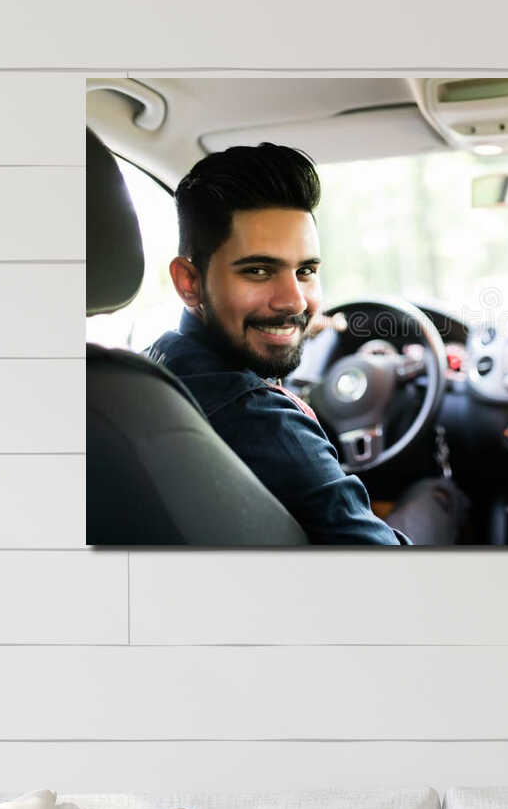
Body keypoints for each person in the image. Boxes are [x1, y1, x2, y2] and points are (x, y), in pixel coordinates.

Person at [145, 142, 467, 545]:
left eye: (306, 270)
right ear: (189, 282)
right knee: (437, 495)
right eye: (259, 270)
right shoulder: (260, 417)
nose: (295, 301)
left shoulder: (148, 370)